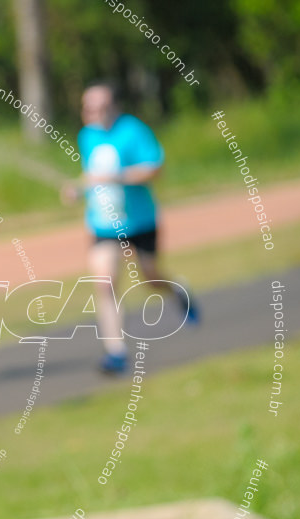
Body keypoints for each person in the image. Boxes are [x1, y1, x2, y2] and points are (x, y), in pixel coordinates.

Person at [62, 82, 198, 374]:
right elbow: (91, 173)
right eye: (89, 109)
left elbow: (154, 168)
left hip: (140, 221)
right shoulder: (87, 136)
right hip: (103, 225)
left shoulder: (133, 130)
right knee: (105, 282)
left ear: (115, 106)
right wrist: (78, 189)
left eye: (101, 107)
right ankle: (116, 352)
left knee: (151, 279)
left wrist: (116, 177)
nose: (95, 114)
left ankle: (178, 291)